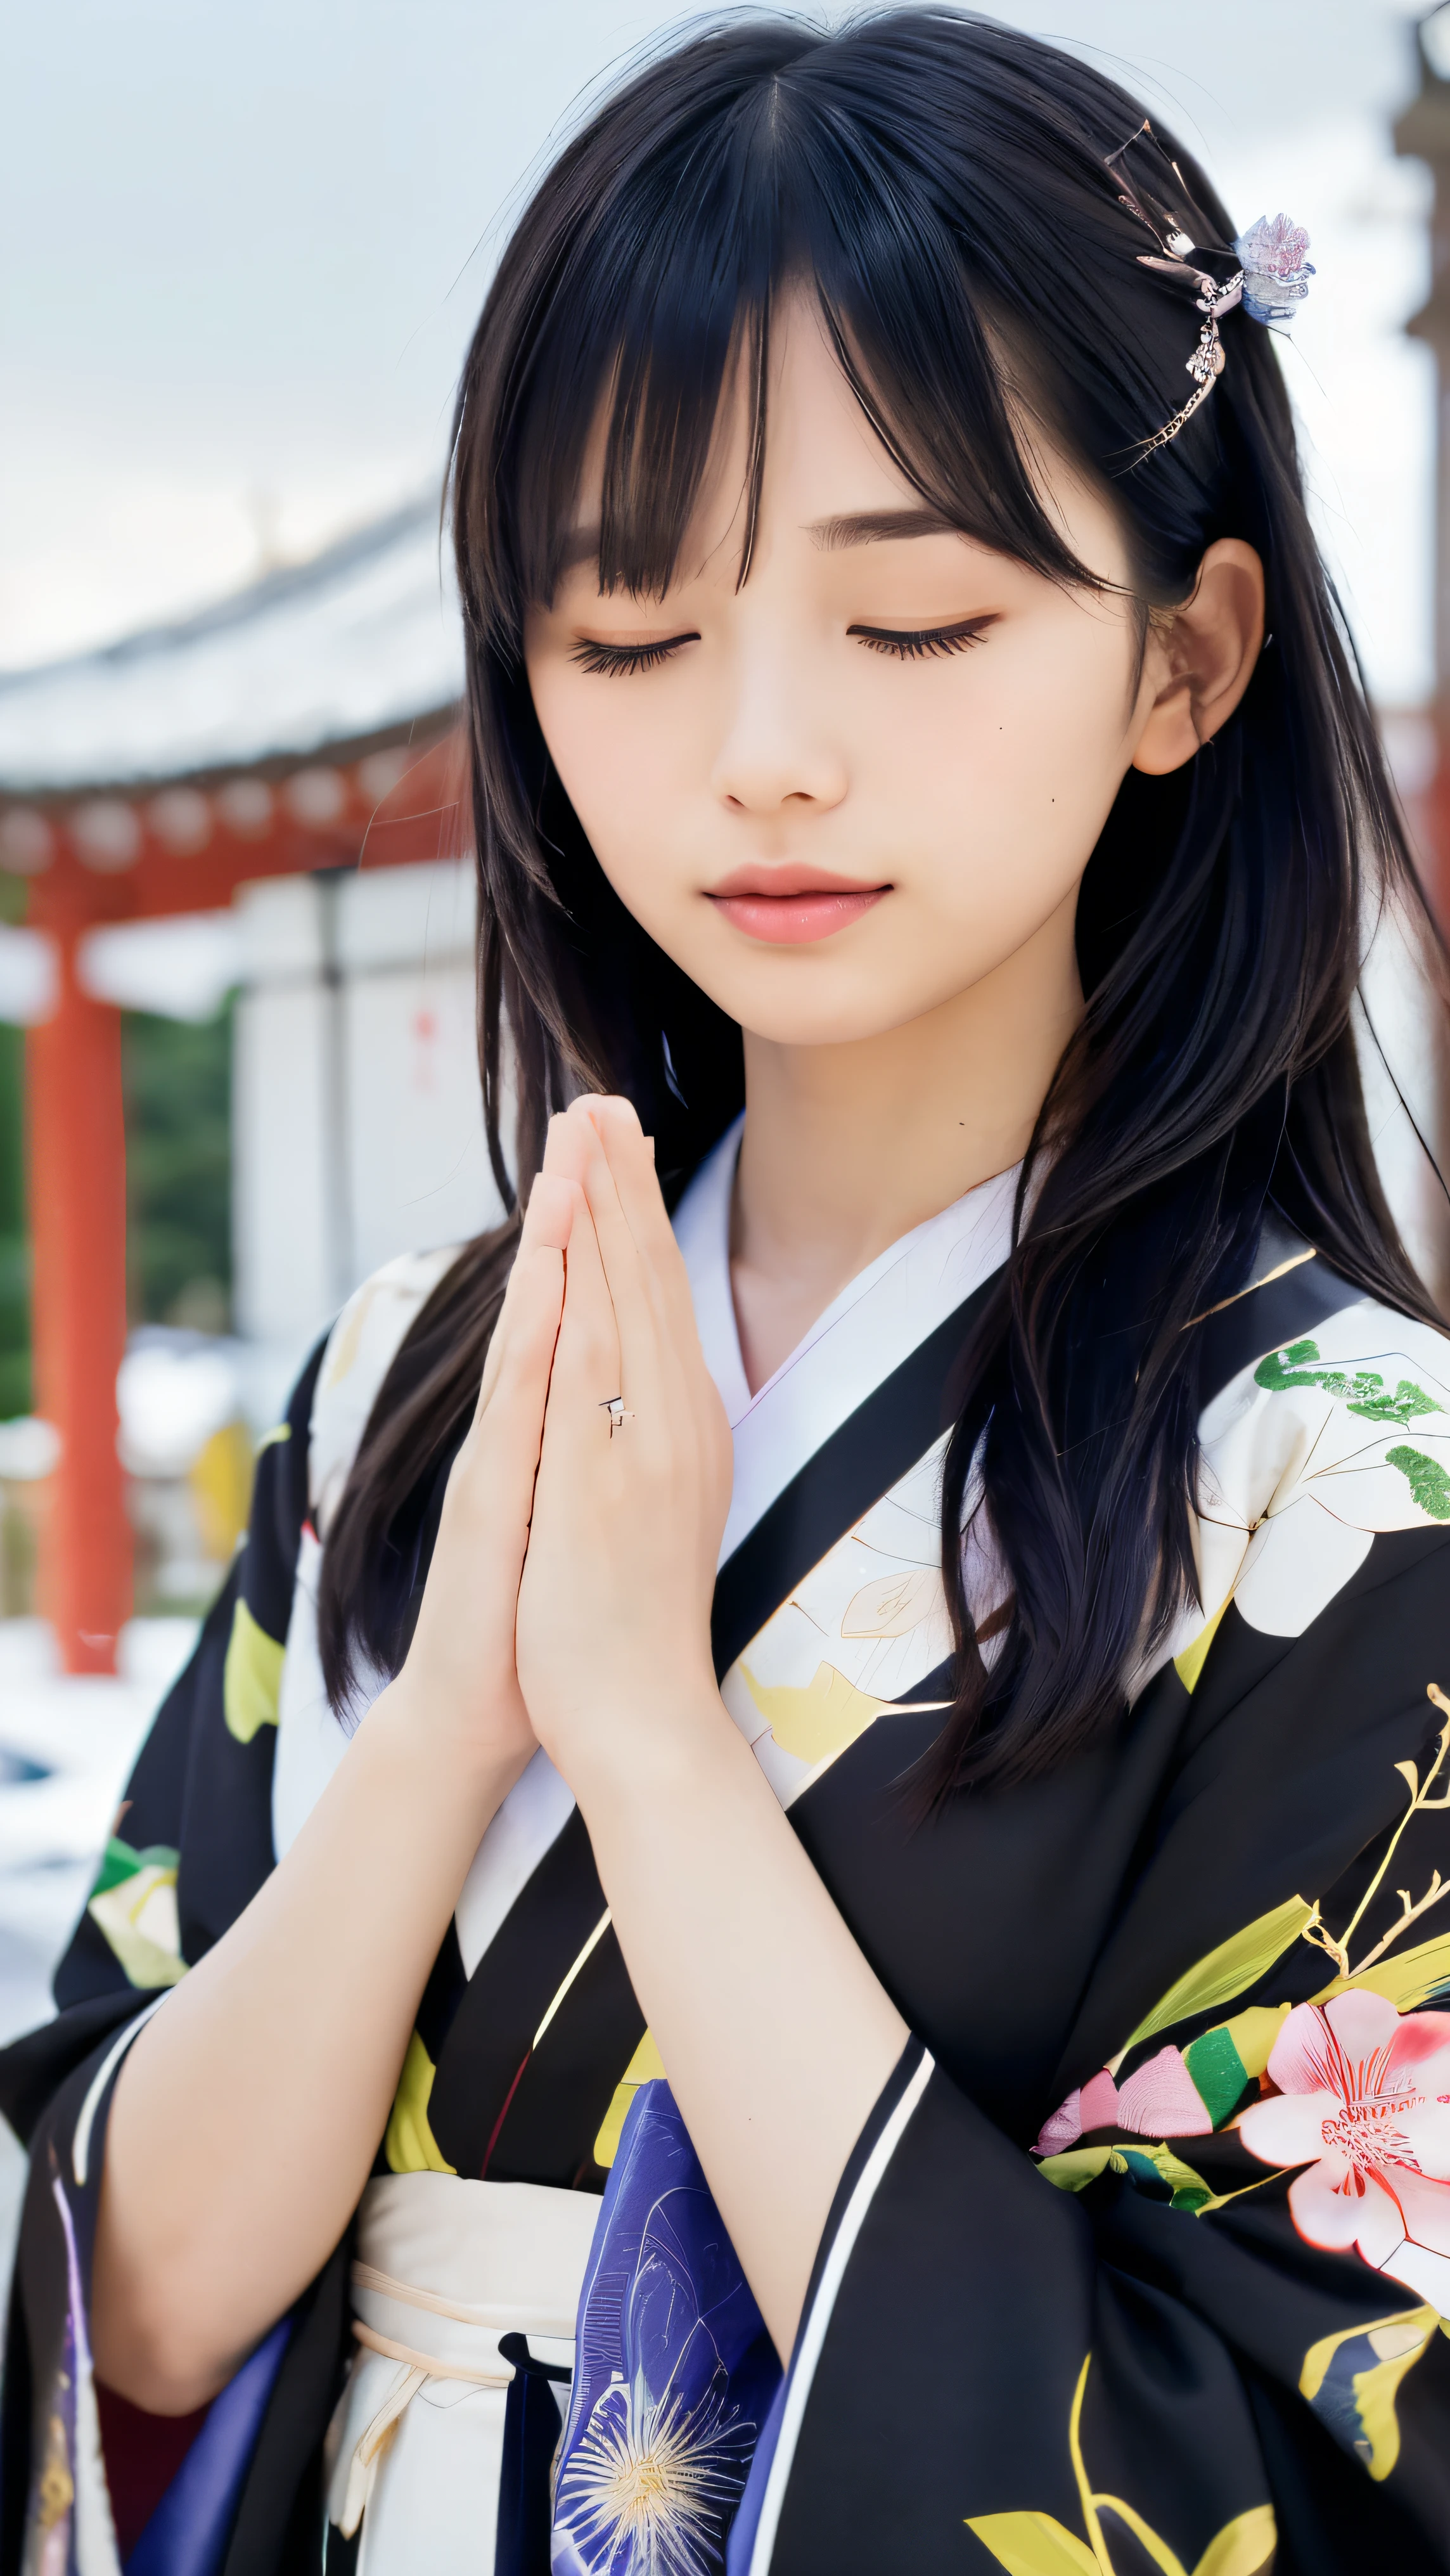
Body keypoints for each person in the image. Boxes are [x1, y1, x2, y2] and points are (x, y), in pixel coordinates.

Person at [6, 11, 1450, 2572]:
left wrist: (654, 1745)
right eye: (629, 633)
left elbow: (1271, 2469)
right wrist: (451, 1707)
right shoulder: (391, 1392)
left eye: (908, 624)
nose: (759, 752)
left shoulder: (1352, 1478)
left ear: (1180, 658)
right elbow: (123, 2310)